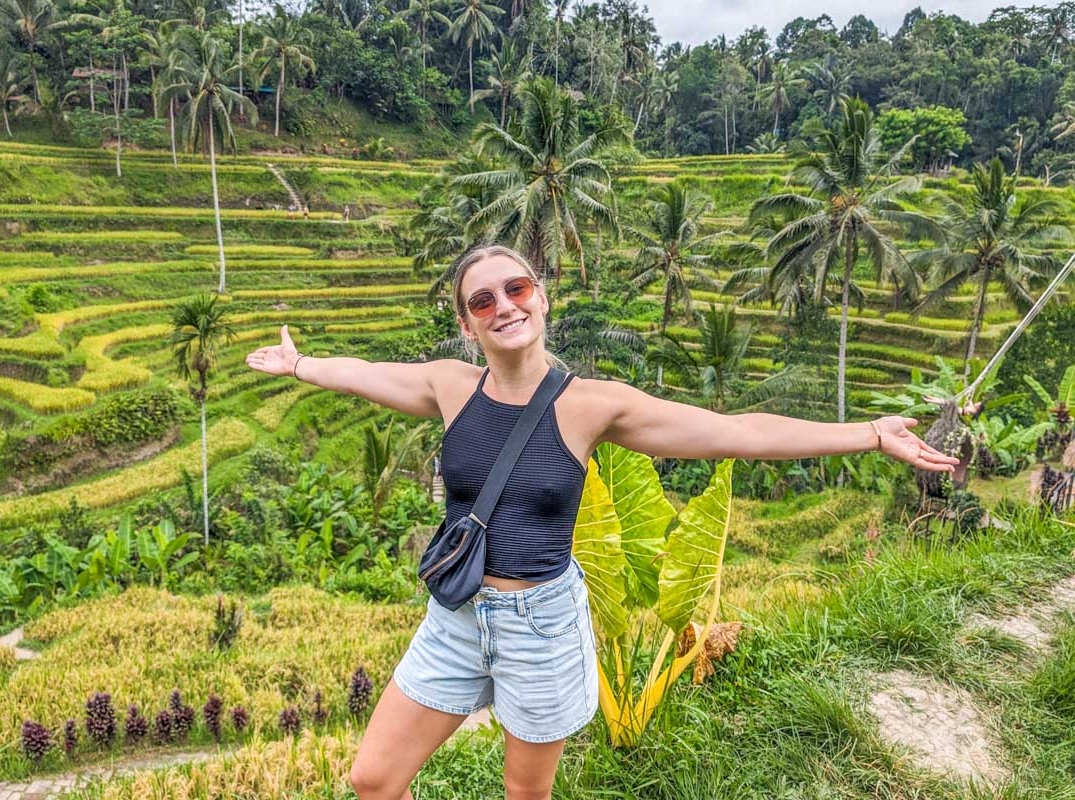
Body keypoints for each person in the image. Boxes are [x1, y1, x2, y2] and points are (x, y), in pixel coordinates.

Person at [244, 244, 957, 800]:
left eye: (516, 289)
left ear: (542, 298)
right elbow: (364, 372)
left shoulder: (593, 405)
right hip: (457, 617)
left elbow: (736, 430)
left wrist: (867, 432)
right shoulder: (449, 385)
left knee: (527, 790)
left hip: (543, 627)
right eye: (482, 299)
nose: (504, 306)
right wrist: (301, 363)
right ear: (467, 323)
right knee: (374, 779)